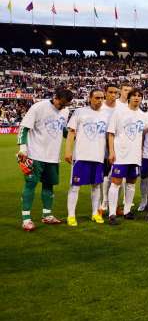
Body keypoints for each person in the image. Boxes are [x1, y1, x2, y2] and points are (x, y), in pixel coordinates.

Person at [16, 87, 73, 231]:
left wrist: (76, 136)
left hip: (52, 156)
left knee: (49, 185)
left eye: (66, 105)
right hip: (35, 155)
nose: (63, 107)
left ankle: (47, 215)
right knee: (30, 185)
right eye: (61, 104)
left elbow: (63, 130)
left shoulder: (65, 111)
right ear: (56, 97)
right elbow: (23, 128)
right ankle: (26, 219)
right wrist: (23, 149)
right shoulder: (39, 107)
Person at [63, 89, 108, 226]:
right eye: (96, 98)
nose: (99, 100)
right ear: (90, 98)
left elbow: (109, 136)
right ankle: (71, 215)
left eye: (101, 98)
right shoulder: (80, 112)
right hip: (81, 156)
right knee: (75, 186)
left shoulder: (107, 115)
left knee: (96, 186)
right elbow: (71, 132)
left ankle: (95, 213)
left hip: (99, 156)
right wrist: (68, 151)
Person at [107, 89, 148, 225]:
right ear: (129, 98)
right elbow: (111, 133)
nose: (137, 98)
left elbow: (142, 134)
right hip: (121, 154)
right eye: (134, 96)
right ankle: (112, 213)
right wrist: (112, 152)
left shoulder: (143, 115)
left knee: (131, 184)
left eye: (139, 96)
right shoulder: (119, 112)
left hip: (135, 155)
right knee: (115, 183)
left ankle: (127, 211)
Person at [100, 84, 122, 216]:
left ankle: (115, 204)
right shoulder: (100, 107)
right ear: (105, 93)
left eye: (115, 93)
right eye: (110, 92)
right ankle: (104, 203)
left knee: (118, 178)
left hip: (116, 147)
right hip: (101, 147)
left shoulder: (121, 109)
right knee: (104, 177)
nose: (113, 95)